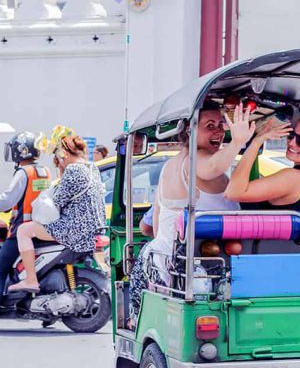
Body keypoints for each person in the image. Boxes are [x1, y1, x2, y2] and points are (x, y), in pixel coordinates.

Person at [128, 102, 254, 325]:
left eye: (220, 125)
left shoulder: (170, 166)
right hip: (191, 273)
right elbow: (213, 167)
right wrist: (237, 143)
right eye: (210, 125)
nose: (218, 131)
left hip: (162, 264)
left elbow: (155, 223)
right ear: (190, 130)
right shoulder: (194, 162)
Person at [8, 134, 105, 292]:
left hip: (74, 229)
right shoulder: (91, 167)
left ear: (65, 154)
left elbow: (57, 202)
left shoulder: (73, 169)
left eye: (59, 158)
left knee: (23, 230)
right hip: (93, 228)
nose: (60, 162)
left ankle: (31, 280)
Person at [225, 108, 300, 211]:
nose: (291, 142)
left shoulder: (291, 177)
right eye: (291, 135)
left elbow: (233, 193)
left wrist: (256, 142)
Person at [0, 132, 51, 295]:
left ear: (19, 151)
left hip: (21, 229)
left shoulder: (24, 172)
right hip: (40, 227)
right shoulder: (44, 170)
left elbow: (7, 200)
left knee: (1, 267)